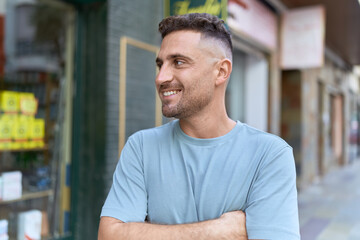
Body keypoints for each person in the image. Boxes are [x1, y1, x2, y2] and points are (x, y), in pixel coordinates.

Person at [98, 13, 300, 240]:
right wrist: (218, 231)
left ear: (221, 72)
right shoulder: (141, 147)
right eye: (160, 64)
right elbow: (110, 236)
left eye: (178, 62)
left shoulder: (269, 155)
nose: (160, 77)